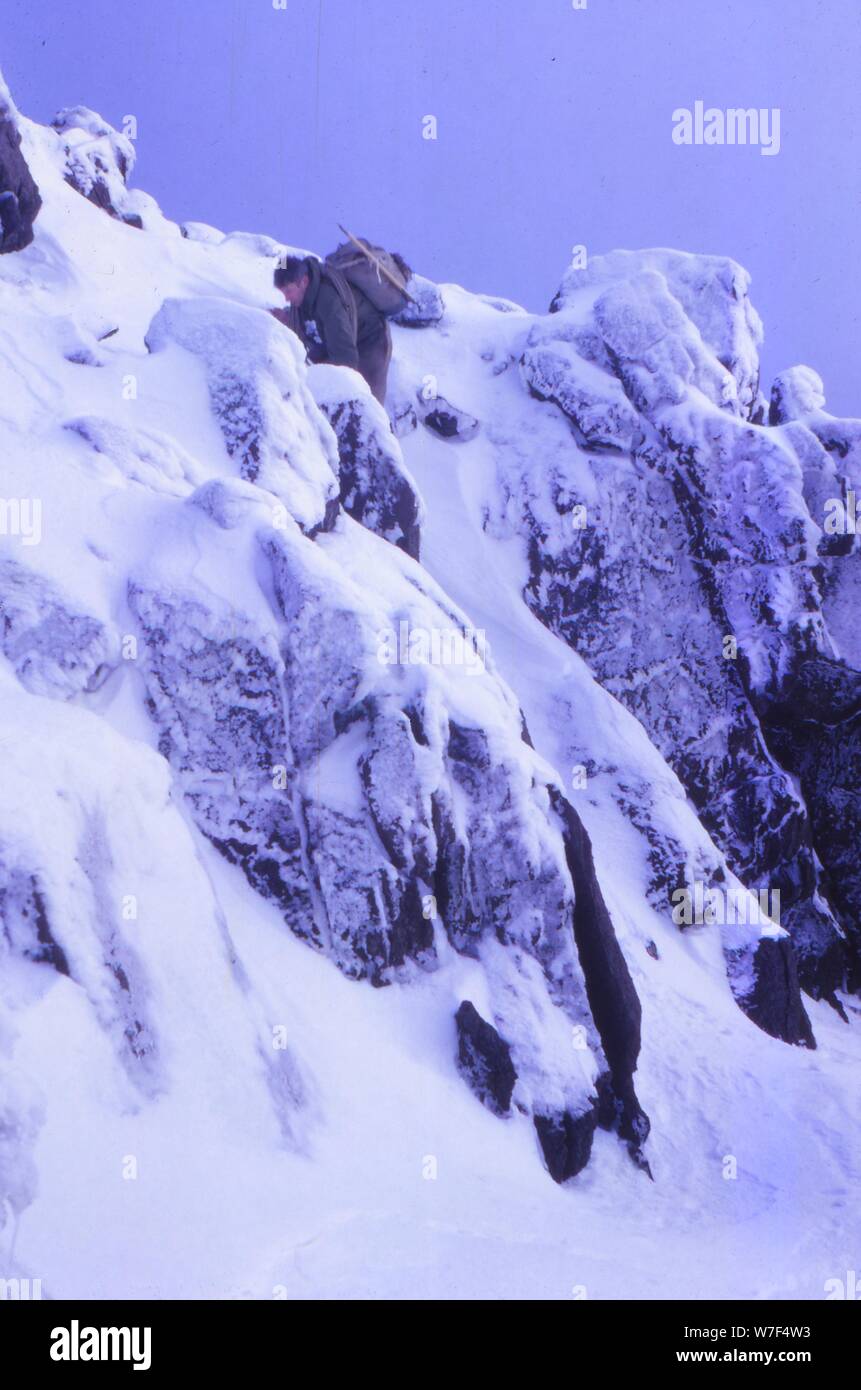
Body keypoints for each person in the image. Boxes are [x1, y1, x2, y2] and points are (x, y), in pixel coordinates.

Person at [272, 253, 399, 405]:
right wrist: (285, 318)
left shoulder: (328, 300)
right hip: (347, 339)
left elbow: (344, 353)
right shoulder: (306, 297)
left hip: (372, 341)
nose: (286, 298)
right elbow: (304, 321)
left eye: (288, 291)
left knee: (368, 405)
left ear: (304, 282)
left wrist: (342, 393)